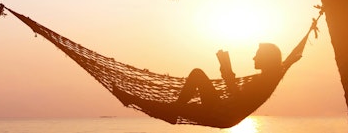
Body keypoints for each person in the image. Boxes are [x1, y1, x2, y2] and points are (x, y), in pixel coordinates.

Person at [113, 43, 285, 127]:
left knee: (195, 76)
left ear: (268, 58)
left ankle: (135, 100)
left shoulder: (262, 82)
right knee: (172, 106)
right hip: (223, 109)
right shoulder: (269, 77)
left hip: (223, 113)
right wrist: (226, 70)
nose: (254, 58)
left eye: (257, 55)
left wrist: (228, 70)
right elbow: (288, 61)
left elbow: (238, 97)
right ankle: (131, 99)